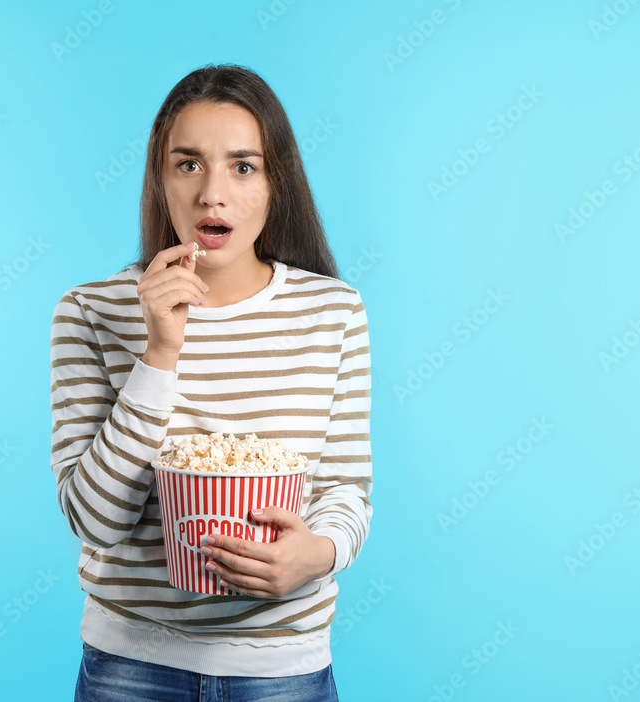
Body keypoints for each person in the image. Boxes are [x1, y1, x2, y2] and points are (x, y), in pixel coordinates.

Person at [51, 63, 372, 702]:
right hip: (130, 667)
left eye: (243, 166)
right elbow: (94, 521)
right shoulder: (90, 310)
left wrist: (318, 553)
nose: (212, 195)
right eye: (188, 164)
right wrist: (160, 353)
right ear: (159, 178)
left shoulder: (333, 311)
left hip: (284, 667)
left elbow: (345, 490)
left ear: (278, 183)